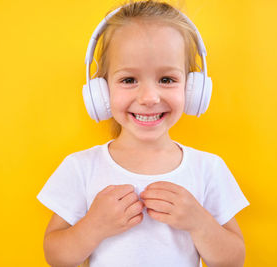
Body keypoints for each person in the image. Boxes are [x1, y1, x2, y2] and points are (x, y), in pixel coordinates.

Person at [37, 0, 250, 266]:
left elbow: (234, 261)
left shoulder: (208, 168)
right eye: (129, 80)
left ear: (192, 88)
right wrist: (92, 227)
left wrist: (199, 223)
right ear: (101, 91)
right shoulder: (81, 167)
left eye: (167, 79)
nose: (149, 97)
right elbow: (56, 258)